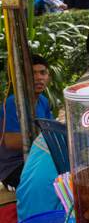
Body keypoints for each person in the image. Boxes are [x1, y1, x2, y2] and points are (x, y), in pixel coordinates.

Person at [0, 55, 54, 191]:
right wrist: (42, 136)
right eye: (33, 73)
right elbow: (11, 141)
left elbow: (51, 131)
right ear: (22, 78)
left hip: (35, 160)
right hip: (13, 167)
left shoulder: (43, 101)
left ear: (48, 76)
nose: (39, 77)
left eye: (43, 73)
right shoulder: (13, 103)